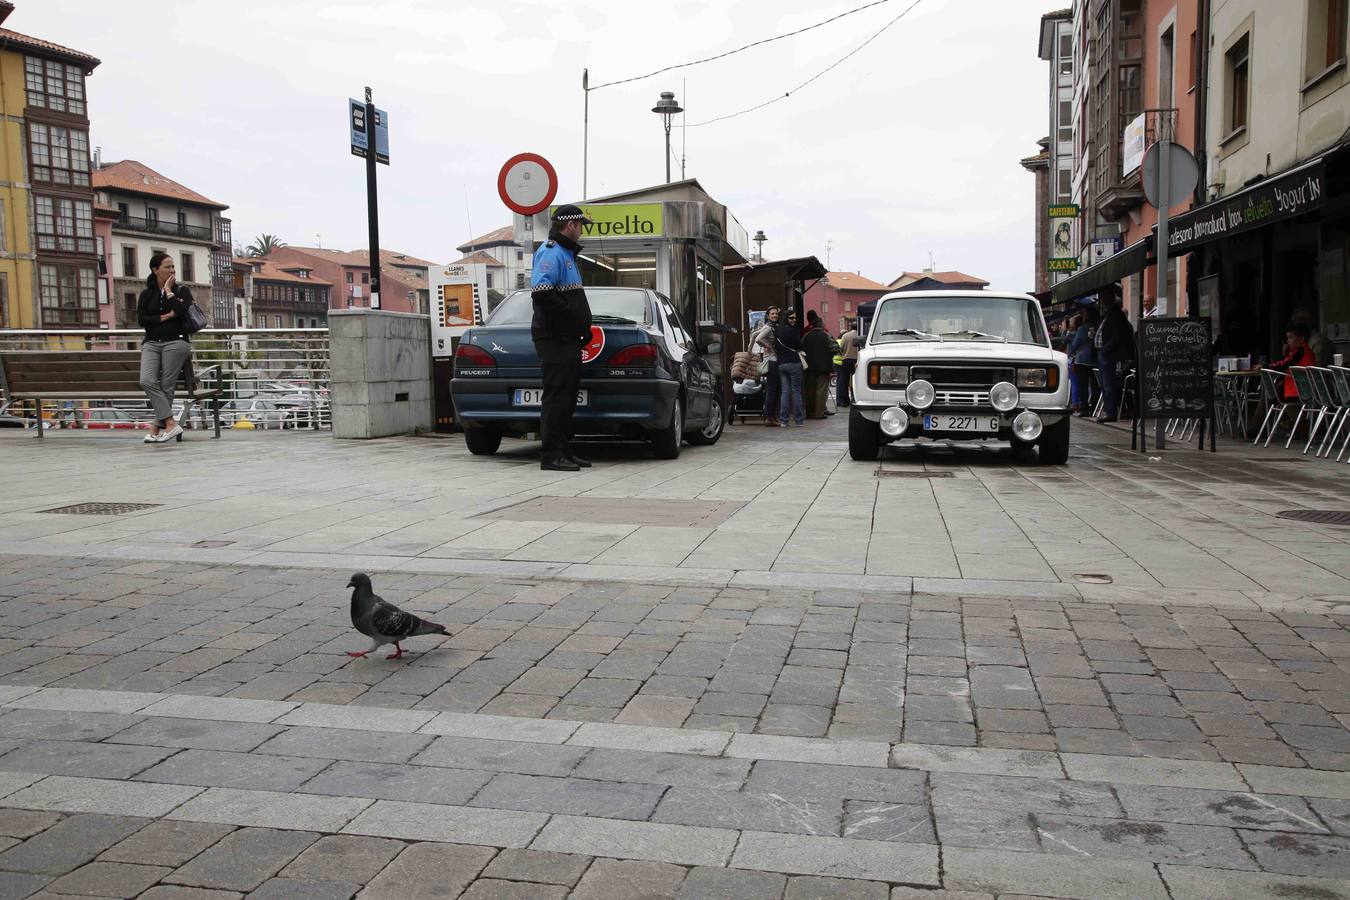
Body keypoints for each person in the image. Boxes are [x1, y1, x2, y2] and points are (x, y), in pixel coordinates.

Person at [530, 204, 594, 471]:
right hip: (554, 338)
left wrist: (581, 328)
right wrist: (571, 319)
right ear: (571, 225)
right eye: (581, 226)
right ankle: (551, 455)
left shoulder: (567, 254)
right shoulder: (550, 252)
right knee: (557, 397)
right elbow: (542, 293)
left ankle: (563, 450)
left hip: (566, 338)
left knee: (567, 397)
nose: (582, 232)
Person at [137, 252, 193, 444]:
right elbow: (142, 320)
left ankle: (155, 428)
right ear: (155, 269)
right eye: (167, 267)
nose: (172, 270)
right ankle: (170, 423)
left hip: (176, 342)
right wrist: (165, 317)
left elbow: (181, 311)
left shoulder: (182, 291)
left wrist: (169, 291)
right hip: (152, 342)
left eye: (173, 266)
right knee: (146, 380)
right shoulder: (146, 294)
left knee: (166, 385)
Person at [1094, 288, 1134, 423]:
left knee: (1108, 384)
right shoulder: (1106, 315)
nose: (1102, 301)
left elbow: (1117, 336)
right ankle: (1109, 411)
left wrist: (1105, 350)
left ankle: (1111, 412)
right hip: (1103, 353)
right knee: (1105, 385)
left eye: (1103, 297)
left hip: (1109, 354)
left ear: (1110, 298)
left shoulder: (1117, 315)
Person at [1271, 323, 1317, 401]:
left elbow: (1283, 365)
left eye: (1290, 338)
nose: (1288, 341)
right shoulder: (1300, 351)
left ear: (1301, 339)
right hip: (1298, 391)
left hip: (1296, 392)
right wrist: (1286, 354)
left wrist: (1265, 366)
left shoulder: (1300, 352)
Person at [802, 319, 837, 419]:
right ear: (821, 325)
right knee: (821, 391)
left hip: (809, 367)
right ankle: (819, 413)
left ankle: (810, 412)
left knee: (809, 391)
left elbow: (801, 348)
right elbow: (835, 348)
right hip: (823, 367)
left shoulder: (806, 336)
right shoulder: (826, 335)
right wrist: (828, 355)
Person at [1066, 308, 1098, 416]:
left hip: (1082, 360)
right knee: (1094, 386)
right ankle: (1094, 407)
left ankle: (1084, 409)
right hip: (1095, 360)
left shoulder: (1082, 329)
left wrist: (1070, 352)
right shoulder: (1098, 327)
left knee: (1082, 386)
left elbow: (1075, 345)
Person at [776, 310, 806, 426]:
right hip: (794, 363)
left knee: (785, 392)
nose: (793, 320)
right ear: (786, 319)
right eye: (791, 318)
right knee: (796, 391)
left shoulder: (778, 330)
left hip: (781, 364)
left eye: (794, 318)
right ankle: (798, 420)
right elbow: (800, 345)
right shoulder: (792, 331)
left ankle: (784, 420)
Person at [753, 307, 781, 426]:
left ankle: (772, 416)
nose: (775, 315)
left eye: (776, 313)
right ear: (768, 316)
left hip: (773, 360)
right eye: (772, 314)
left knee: (774, 390)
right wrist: (769, 346)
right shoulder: (769, 327)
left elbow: (754, 335)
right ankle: (769, 417)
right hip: (771, 361)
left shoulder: (772, 326)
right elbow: (758, 339)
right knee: (772, 390)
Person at [837, 320, 860, 407]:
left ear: (851, 327)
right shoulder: (860, 335)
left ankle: (844, 401)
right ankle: (856, 399)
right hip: (857, 361)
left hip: (846, 360)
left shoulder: (845, 336)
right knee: (856, 381)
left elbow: (841, 348)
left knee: (844, 381)